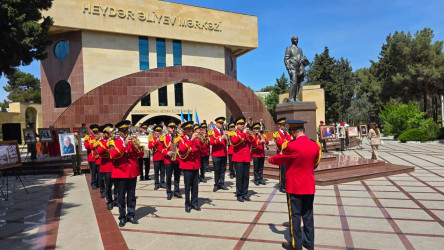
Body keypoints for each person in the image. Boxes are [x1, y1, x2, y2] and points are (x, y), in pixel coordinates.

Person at [268, 120, 321, 250]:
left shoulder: (291, 146)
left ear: (293, 132)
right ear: (303, 130)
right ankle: (309, 243)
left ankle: (296, 245)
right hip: (309, 185)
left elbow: (281, 159)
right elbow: (315, 164)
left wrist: (270, 159)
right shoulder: (315, 145)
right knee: (308, 215)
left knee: (295, 216)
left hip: (295, 187)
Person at [109, 120, 144, 227]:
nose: (125, 132)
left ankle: (131, 215)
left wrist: (134, 145)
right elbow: (113, 155)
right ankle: (122, 216)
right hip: (120, 173)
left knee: (131, 196)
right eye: (123, 130)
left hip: (132, 172)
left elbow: (141, 154)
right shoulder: (114, 142)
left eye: (126, 130)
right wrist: (124, 144)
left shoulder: (134, 140)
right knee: (120, 197)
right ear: (119, 132)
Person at [228, 117, 255, 202]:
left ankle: (245, 193)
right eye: (240, 124)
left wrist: (251, 135)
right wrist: (243, 134)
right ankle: (239, 194)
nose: (242, 125)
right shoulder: (233, 134)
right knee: (239, 177)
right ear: (236, 125)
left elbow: (253, 144)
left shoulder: (246, 134)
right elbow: (234, 142)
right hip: (238, 158)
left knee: (246, 177)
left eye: (243, 124)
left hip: (246, 158)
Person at [177, 122, 202, 213]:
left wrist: (200, 140)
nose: (190, 131)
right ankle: (187, 204)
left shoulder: (196, 139)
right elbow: (182, 149)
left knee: (195, 186)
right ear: (184, 130)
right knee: (187, 187)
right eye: (188, 130)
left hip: (195, 165)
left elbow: (200, 149)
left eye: (191, 130)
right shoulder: (181, 139)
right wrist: (191, 140)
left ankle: (194, 203)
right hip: (187, 166)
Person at [96, 124, 118, 210]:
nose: (109, 134)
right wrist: (107, 144)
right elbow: (99, 151)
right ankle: (109, 201)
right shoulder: (101, 142)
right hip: (107, 167)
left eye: (110, 132)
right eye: (107, 133)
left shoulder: (115, 141)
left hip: (116, 166)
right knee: (108, 186)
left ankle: (116, 200)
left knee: (117, 185)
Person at [160, 120, 182, 200]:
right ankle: (169, 192)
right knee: (168, 177)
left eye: (174, 127)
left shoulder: (178, 136)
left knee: (177, 177)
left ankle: (176, 191)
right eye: (171, 127)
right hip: (168, 160)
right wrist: (166, 152)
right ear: (167, 128)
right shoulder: (164, 137)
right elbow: (160, 148)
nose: (173, 129)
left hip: (177, 159)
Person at [284, 35, 309, 102]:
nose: (296, 41)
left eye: (297, 39)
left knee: (298, 83)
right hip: (292, 67)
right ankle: (291, 98)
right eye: (295, 39)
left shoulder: (300, 49)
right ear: (292, 40)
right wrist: (288, 68)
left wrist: (304, 60)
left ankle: (296, 98)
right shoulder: (288, 48)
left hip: (299, 67)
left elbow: (301, 57)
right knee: (294, 82)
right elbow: (286, 59)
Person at [209, 116, 229, 192]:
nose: (221, 124)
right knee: (217, 170)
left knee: (223, 170)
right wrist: (220, 139)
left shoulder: (223, 131)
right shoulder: (213, 131)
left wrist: (226, 138)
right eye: (220, 123)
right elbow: (211, 142)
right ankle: (216, 184)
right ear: (216, 123)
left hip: (223, 153)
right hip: (216, 154)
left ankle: (222, 183)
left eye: (222, 123)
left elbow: (226, 143)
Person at [273, 117, 291, 193]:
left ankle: (287, 185)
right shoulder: (276, 134)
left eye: (284, 124)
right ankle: (282, 186)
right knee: (283, 171)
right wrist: (288, 142)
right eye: (282, 124)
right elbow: (280, 143)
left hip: (288, 154)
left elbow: (290, 141)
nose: (284, 126)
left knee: (288, 171)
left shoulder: (287, 133)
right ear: (279, 125)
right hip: (281, 154)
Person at [149, 124, 165, 190]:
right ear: (154, 132)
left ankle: (162, 182)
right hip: (156, 157)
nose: (158, 132)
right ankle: (156, 183)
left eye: (159, 131)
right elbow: (149, 146)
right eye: (157, 131)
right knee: (156, 172)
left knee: (163, 171)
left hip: (163, 157)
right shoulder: (152, 138)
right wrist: (156, 141)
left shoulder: (163, 138)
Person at [84, 124, 100, 190]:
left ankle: (99, 183)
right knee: (93, 172)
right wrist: (95, 142)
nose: (95, 131)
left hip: (99, 157)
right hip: (92, 157)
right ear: (91, 130)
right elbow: (87, 146)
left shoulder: (99, 136)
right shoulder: (88, 137)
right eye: (93, 129)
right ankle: (93, 183)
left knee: (99, 172)